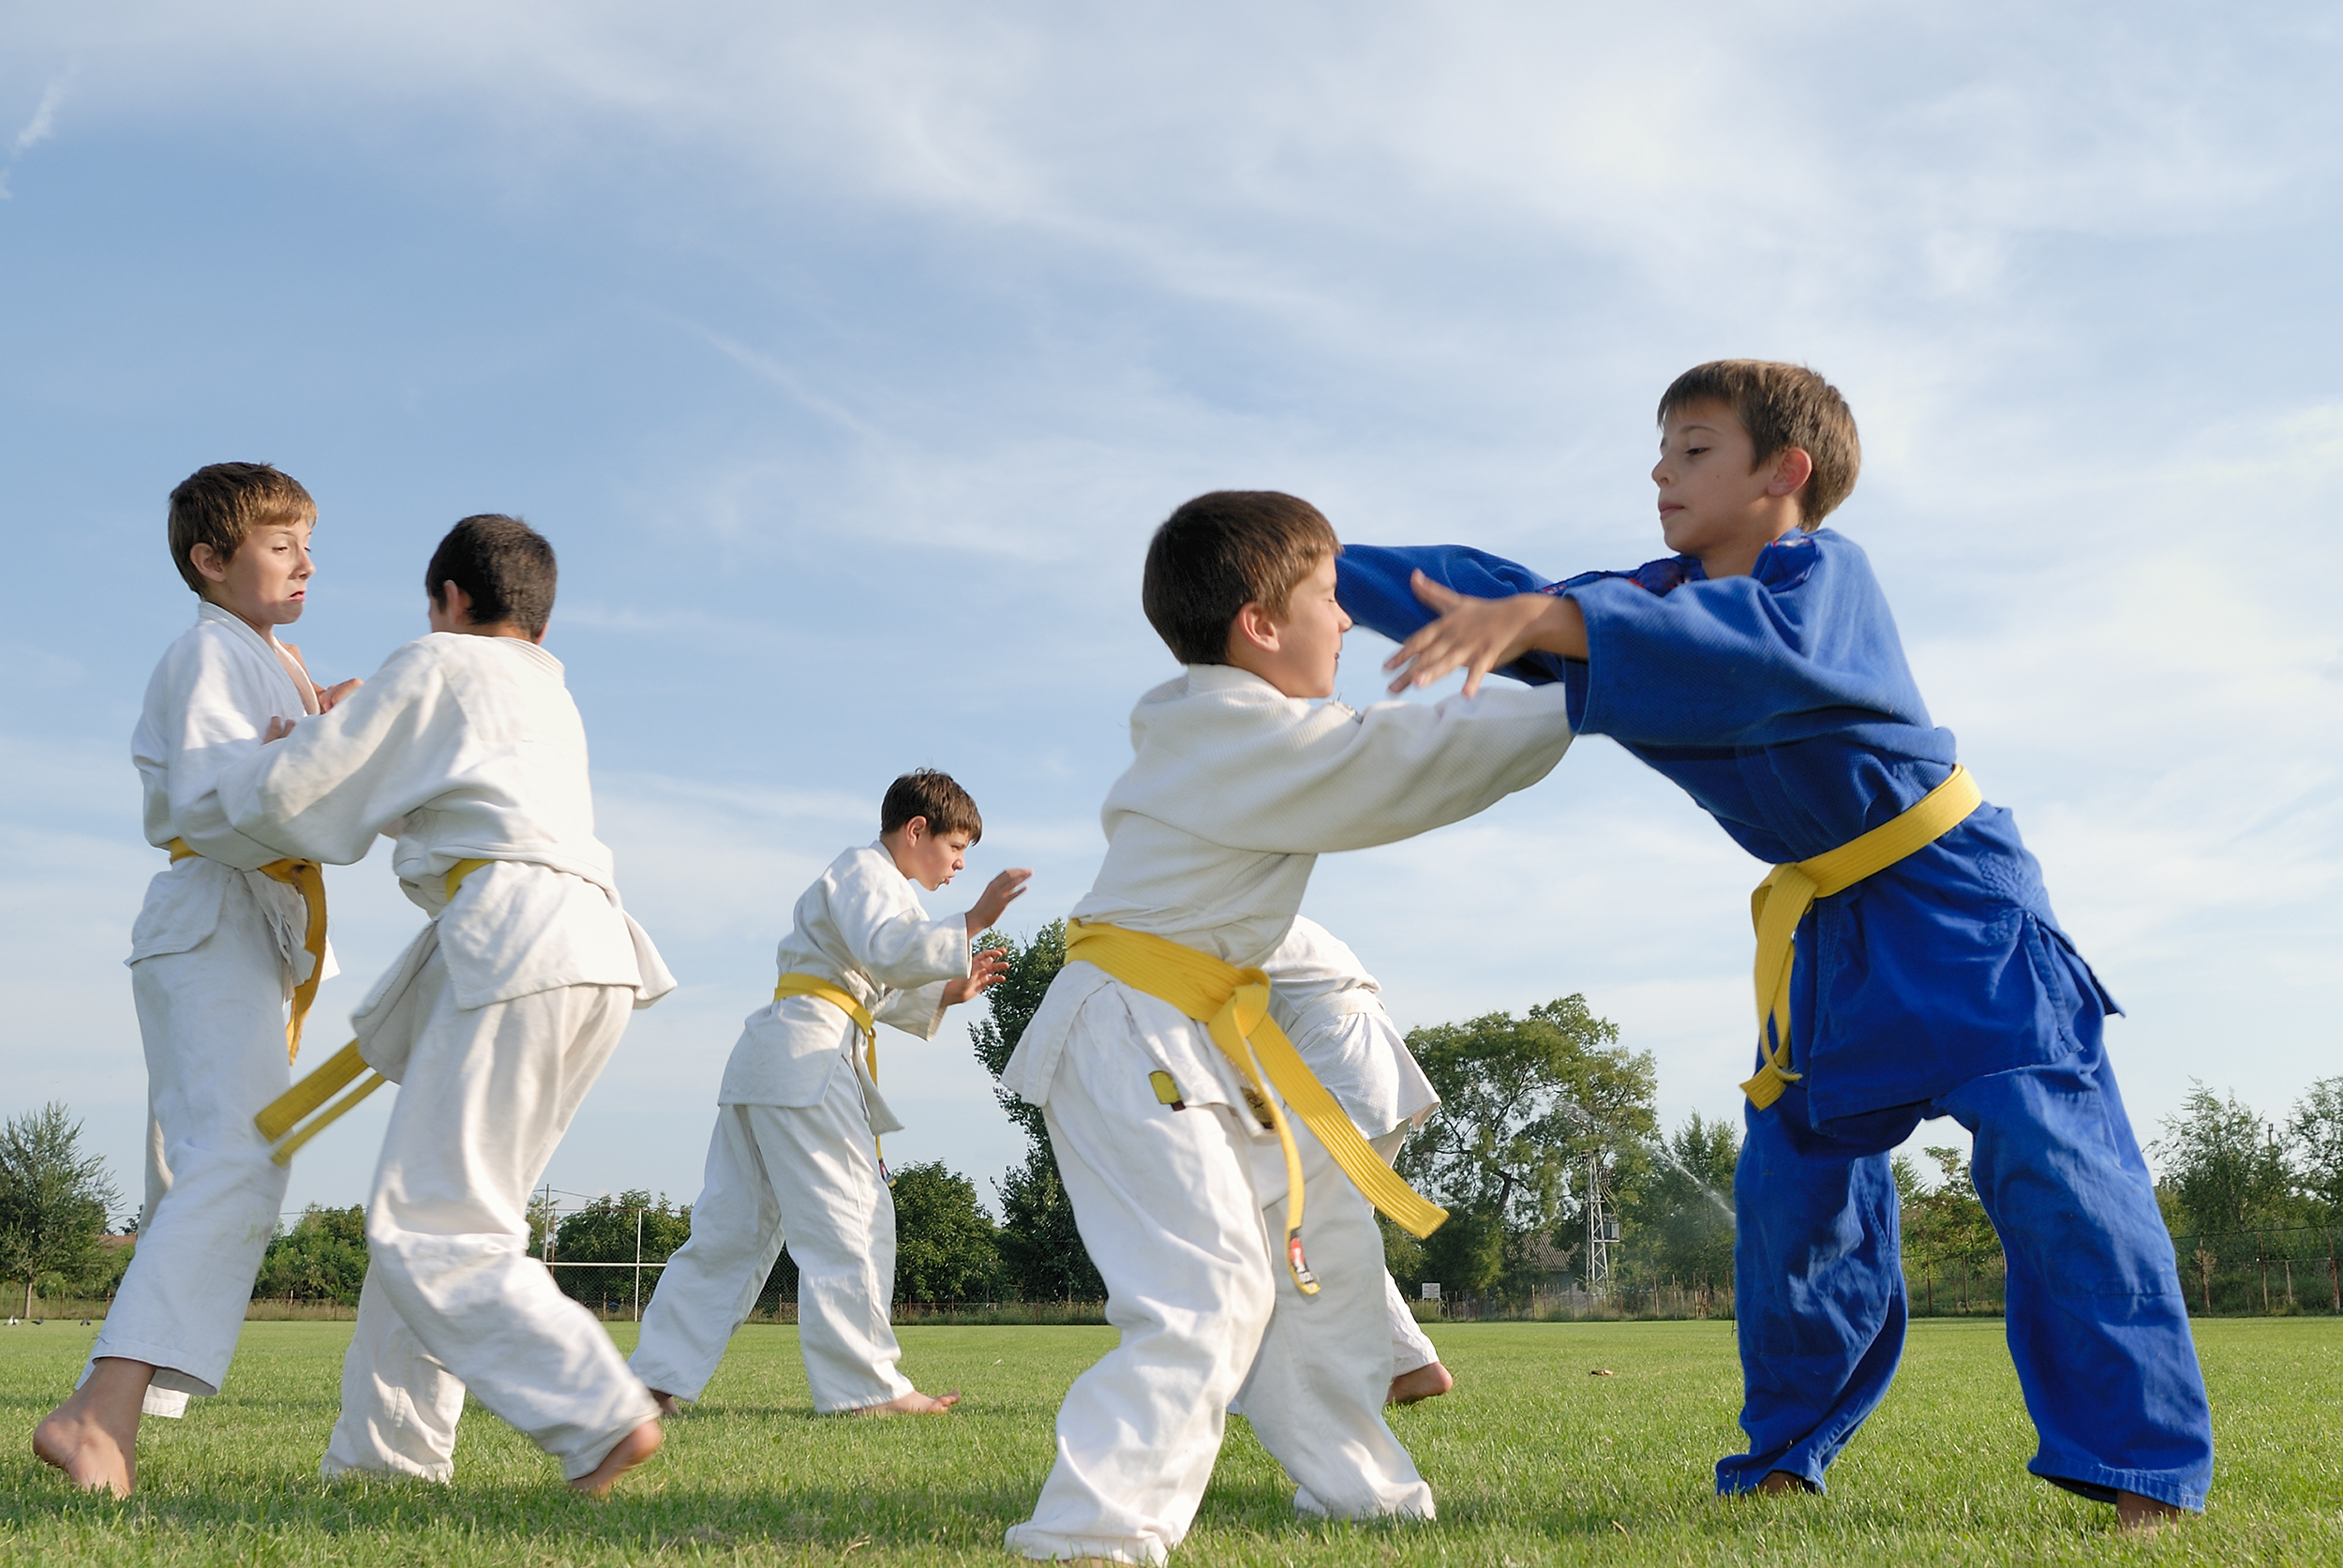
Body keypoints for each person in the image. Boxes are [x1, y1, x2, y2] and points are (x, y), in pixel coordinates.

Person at [1345, 359, 2216, 1531]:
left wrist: (1551, 619)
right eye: (1661, 448)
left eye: (1694, 447)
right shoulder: (1640, 602)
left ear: (1783, 472)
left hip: (1959, 910)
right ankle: (1782, 1454)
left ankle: (2140, 1471)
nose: (1661, 471)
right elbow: (1501, 595)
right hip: (1827, 937)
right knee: (1790, 1191)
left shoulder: (1821, 581)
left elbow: (1747, 645)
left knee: (2052, 1163)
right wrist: (1312, 567)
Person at [998, 491, 1576, 1564]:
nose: (1347, 618)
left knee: (1319, 1254)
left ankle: (1363, 1493)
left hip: (1189, 1036)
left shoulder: (1219, 726)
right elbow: (1403, 758)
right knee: (1205, 1288)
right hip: (1133, 1036)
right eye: (1326, 597)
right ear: (1259, 624)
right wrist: (1602, 687)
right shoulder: (1233, 731)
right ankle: (1089, 1535)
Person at [215, 514, 677, 1495]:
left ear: (451, 599)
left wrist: (294, 740)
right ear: (538, 621)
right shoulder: (548, 696)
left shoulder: (438, 661)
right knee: (448, 1216)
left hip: (514, 943)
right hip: (587, 950)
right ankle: (383, 1461)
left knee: (432, 1225)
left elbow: (298, 798)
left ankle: (597, 1409)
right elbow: (447, 794)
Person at [36, 463, 357, 1497]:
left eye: (309, 544)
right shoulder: (210, 652)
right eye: (280, 544)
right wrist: (323, 743)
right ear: (210, 559)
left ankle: (117, 1402)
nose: (306, 563)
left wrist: (324, 725)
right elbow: (217, 801)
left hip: (244, 924)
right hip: (211, 911)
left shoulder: (269, 658)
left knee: (237, 1160)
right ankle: (100, 1411)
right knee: (235, 1155)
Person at [629, 770, 1030, 1417]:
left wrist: (944, 991)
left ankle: (651, 1381)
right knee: (853, 1215)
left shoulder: (870, 885)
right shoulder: (867, 872)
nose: (960, 864)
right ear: (917, 829)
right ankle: (864, 1389)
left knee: (732, 1231)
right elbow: (889, 952)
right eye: (956, 847)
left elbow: (872, 977)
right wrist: (974, 921)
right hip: (807, 1058)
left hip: (774, 1058)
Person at [1231, 916, 1449, 1510]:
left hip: (1336, 1062)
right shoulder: (1256, 906)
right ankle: (1412, 1363)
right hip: (1363, 1058)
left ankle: (1270, 1396)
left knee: (1278, 1228)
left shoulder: (1210, 913)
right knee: (1326, 1230)